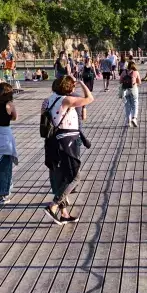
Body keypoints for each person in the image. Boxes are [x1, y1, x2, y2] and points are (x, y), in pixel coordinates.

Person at [42, 75, 94, 224]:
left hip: (53, 141)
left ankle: (64, 214)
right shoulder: (66, 100)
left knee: (60, 177)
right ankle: (53, 205)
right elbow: (90, 98)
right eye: (72, 86)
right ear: (67, 87)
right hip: (67, 141)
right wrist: (82, 83)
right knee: (74, 176)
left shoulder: (48, 100)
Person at [0, 82, 19, 205]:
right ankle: (1, 195)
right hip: (4, 137)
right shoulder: (9, 104)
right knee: (5, 168)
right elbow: (15, 117)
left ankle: (5, 189)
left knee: (0, 167)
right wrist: (8, 116)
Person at [121, 61, 142, 127]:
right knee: (135, 104)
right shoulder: (136, 72)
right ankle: (134, 118)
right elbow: (139, 82)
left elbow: (120, 81)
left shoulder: (124, 72)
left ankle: (128, 121)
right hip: (134, 89)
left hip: (125, 90)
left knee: (127, 105)